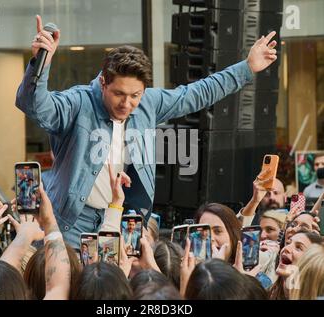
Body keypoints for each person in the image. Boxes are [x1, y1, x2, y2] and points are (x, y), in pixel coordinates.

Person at [15, 15, 278, 248]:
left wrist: (246, 67)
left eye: (135, 95)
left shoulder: (149, 103)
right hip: (72, 221)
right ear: (103, 82)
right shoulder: (78, 102)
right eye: (119, 94)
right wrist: (42, 63)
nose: (126, 103)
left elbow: (198, 93)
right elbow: (36, 106)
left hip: (120, 218)